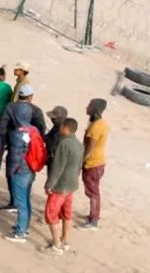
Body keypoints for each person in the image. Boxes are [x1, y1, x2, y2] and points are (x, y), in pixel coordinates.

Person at [0, 84, 47, 242]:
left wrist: (5, 144)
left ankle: (20, 232)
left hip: (19, 166)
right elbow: (42, 131)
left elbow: (2, 129)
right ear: (30, 97)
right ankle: (24, 228)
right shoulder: (36, 114)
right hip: (31, 164)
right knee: (26, 198)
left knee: (21, 200)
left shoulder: (11, 114)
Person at [45, 118, 83, 253]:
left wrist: (49, 184)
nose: (59, 129)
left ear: (66, 128)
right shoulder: (79, 144)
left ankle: (56, 244)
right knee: (67, 213)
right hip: (72, 185)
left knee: (51, 214)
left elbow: (57, 167)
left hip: (61, 186)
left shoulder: (64, 144)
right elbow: (79, 165)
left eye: (61, 127)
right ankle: (65, 239)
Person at [81, 98, 110, 230]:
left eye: (89, 106)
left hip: (92, 163)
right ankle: (93, 215)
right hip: (99, 162)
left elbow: (89, 149)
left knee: (93, 192)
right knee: (94, 191)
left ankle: (94, 219)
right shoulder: (101, 124)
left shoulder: (96, 127)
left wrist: (80, 162)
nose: (87, 107)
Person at [44, 106, 69, 176]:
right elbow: (48, 137)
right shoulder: (56, 126)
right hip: (51, 158)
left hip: (56, 160)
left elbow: (54, 144)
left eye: (54, 118)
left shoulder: (62, 130)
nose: (51, 119)